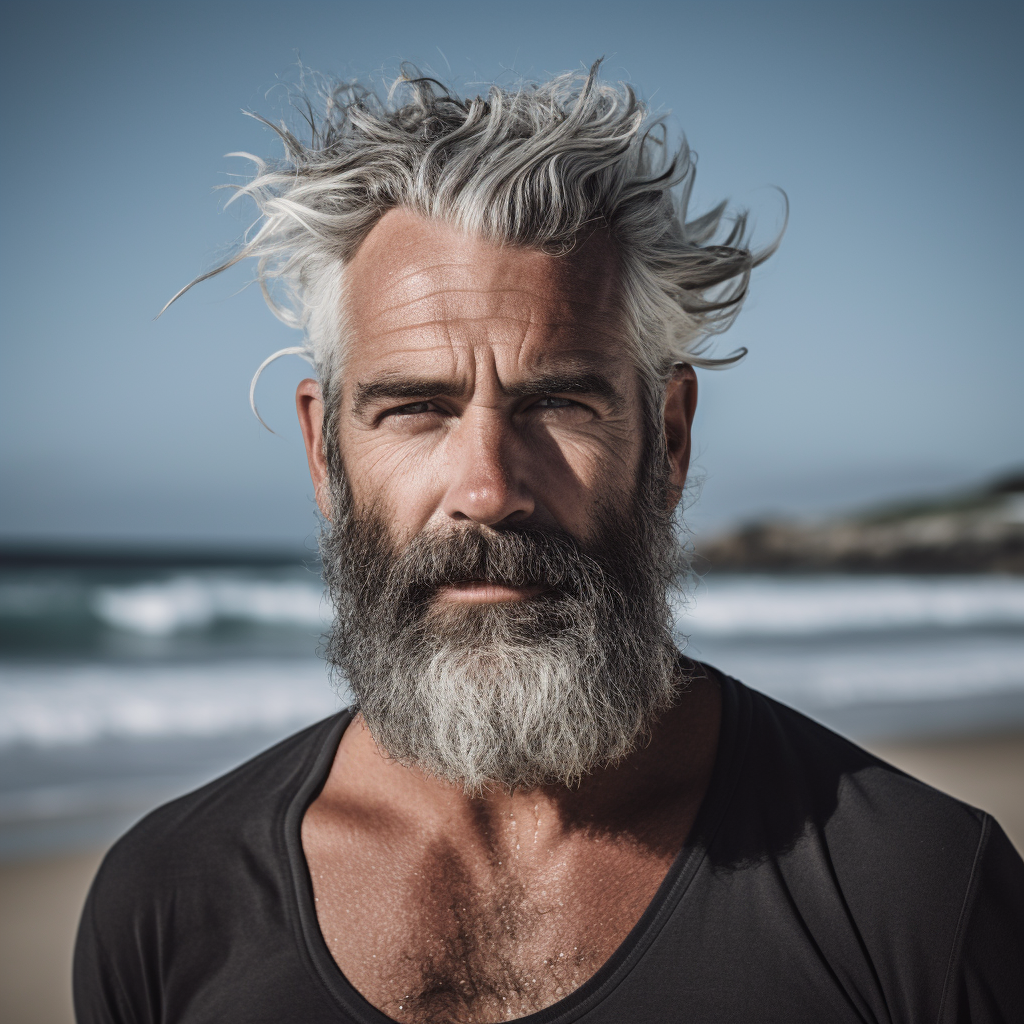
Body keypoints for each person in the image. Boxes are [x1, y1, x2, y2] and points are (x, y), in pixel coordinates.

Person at [74, 64, 1024, 1024]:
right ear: (325, 453)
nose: (488, 492)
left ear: (670, 441)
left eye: (559, 403)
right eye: (415, 409)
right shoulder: (165, 902)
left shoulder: (920, 892)